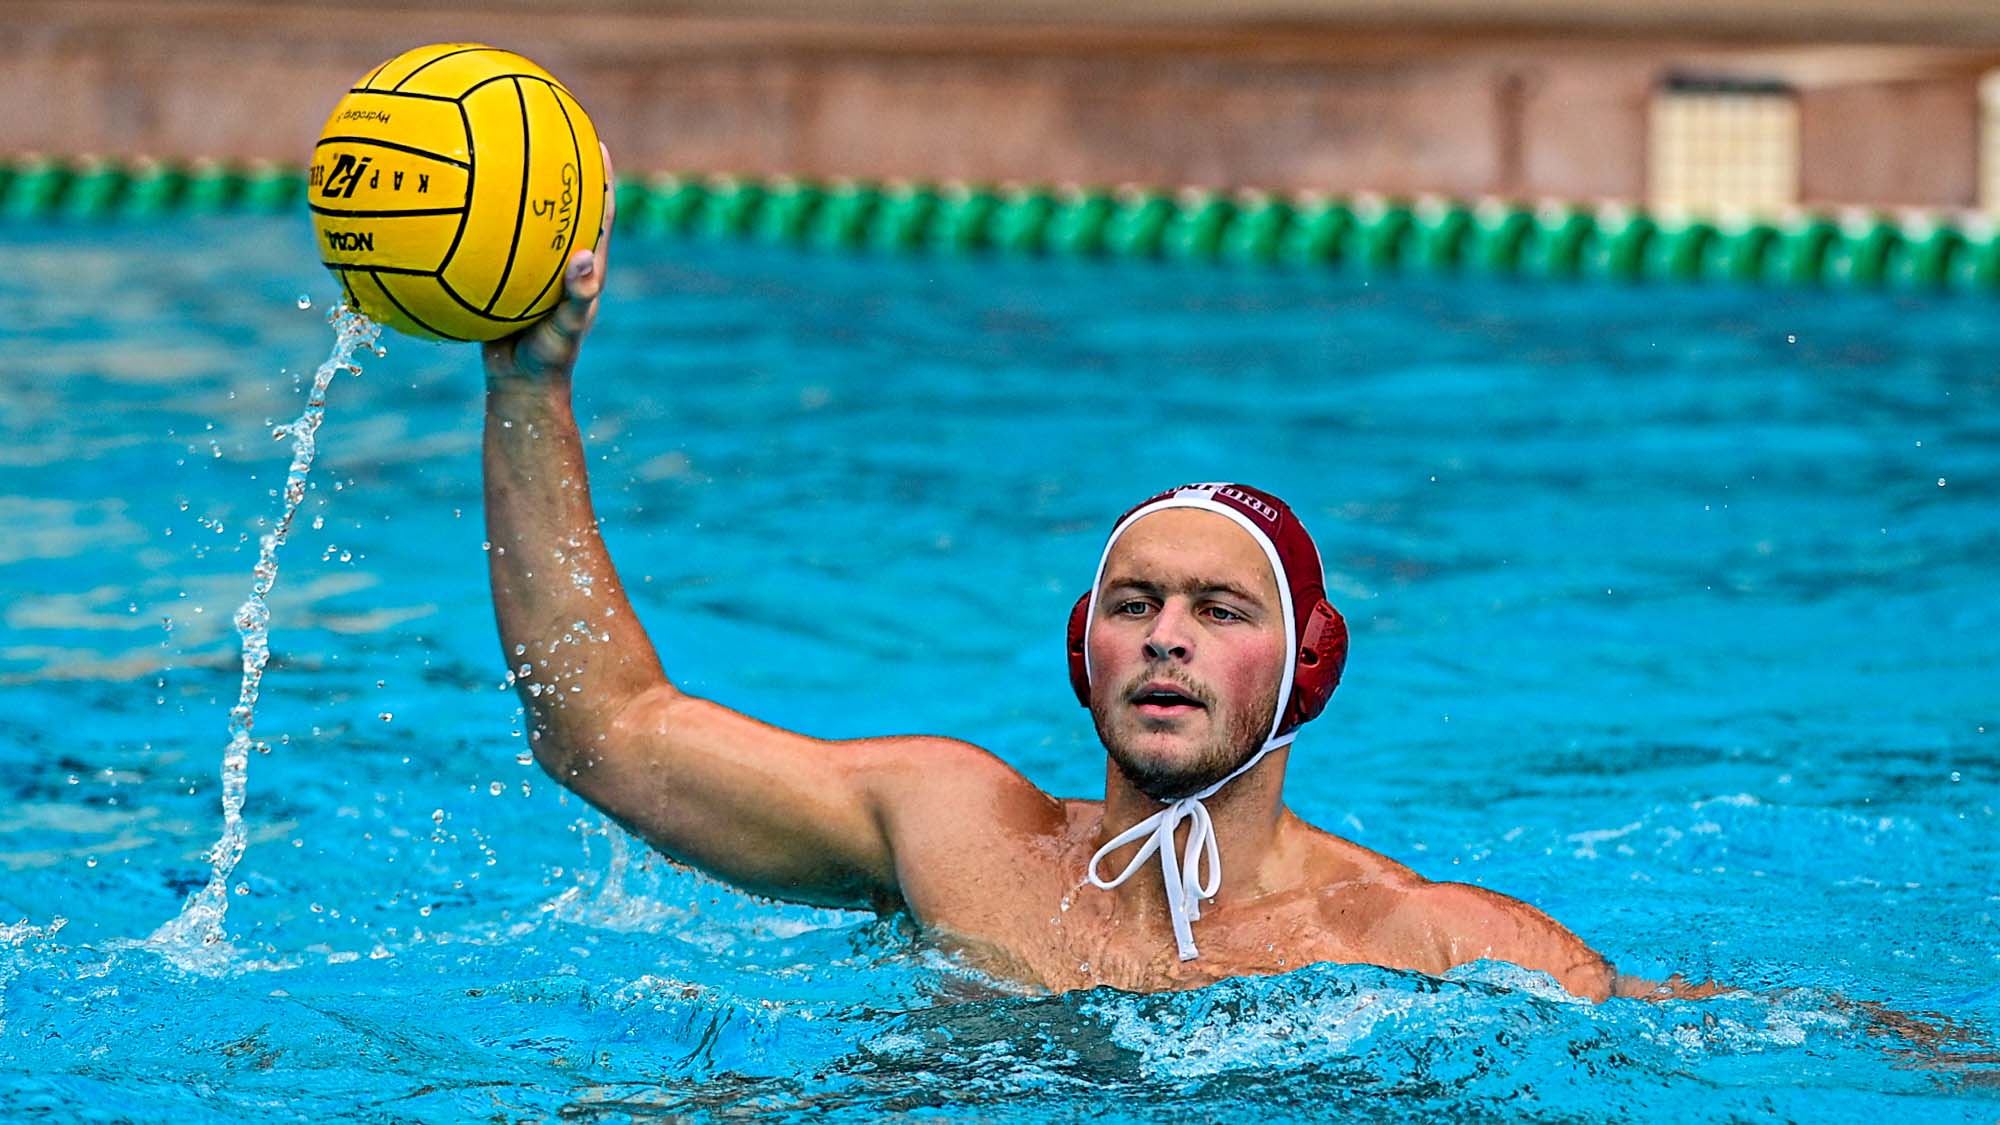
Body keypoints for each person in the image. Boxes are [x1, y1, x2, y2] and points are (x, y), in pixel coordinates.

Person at [480, 150, 1654, 1000]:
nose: (1166, 636)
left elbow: (1703, 1033)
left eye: (1218, 610)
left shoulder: (1418, 942)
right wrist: (530, 390)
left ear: (1310, 666)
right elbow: (602, 732)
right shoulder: (950, 834)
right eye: (1134, 605)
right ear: (1082, 652)